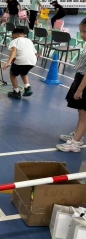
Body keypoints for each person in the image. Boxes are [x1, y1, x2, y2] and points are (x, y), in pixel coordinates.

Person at [56, 18, 86, 153]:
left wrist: (80, 89)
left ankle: (75, 143)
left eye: (85, 32)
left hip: (84, 83)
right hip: (80, 78)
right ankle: (77, 137)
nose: (82, 35)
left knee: (84, 115)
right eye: (81, 32)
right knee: (81, 114)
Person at [3, 28, 37, 99]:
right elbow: (35, 53)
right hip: (33, 61)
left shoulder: (15, 40)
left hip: (22, 60)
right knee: (23, 72)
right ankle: (27, 87)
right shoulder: (29, 40)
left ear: (15, 36)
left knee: (12, 73)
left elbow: (14, 51)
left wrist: (9, 62)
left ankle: (16, 92)